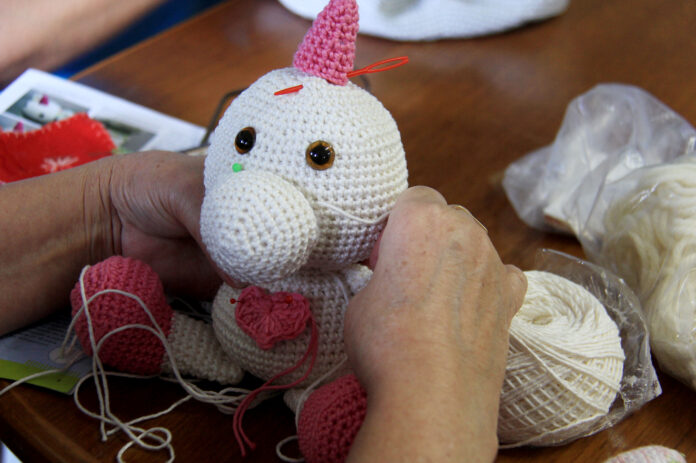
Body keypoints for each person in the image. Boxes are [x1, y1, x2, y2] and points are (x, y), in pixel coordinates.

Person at [0, 150, 526, 461]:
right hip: (225, 342)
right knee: (153, 319)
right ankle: (156, 333)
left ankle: (317, 404)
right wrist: (434, 403)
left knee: (332, 420)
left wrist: (104, 212)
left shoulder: (352, 280)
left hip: (314, 375)